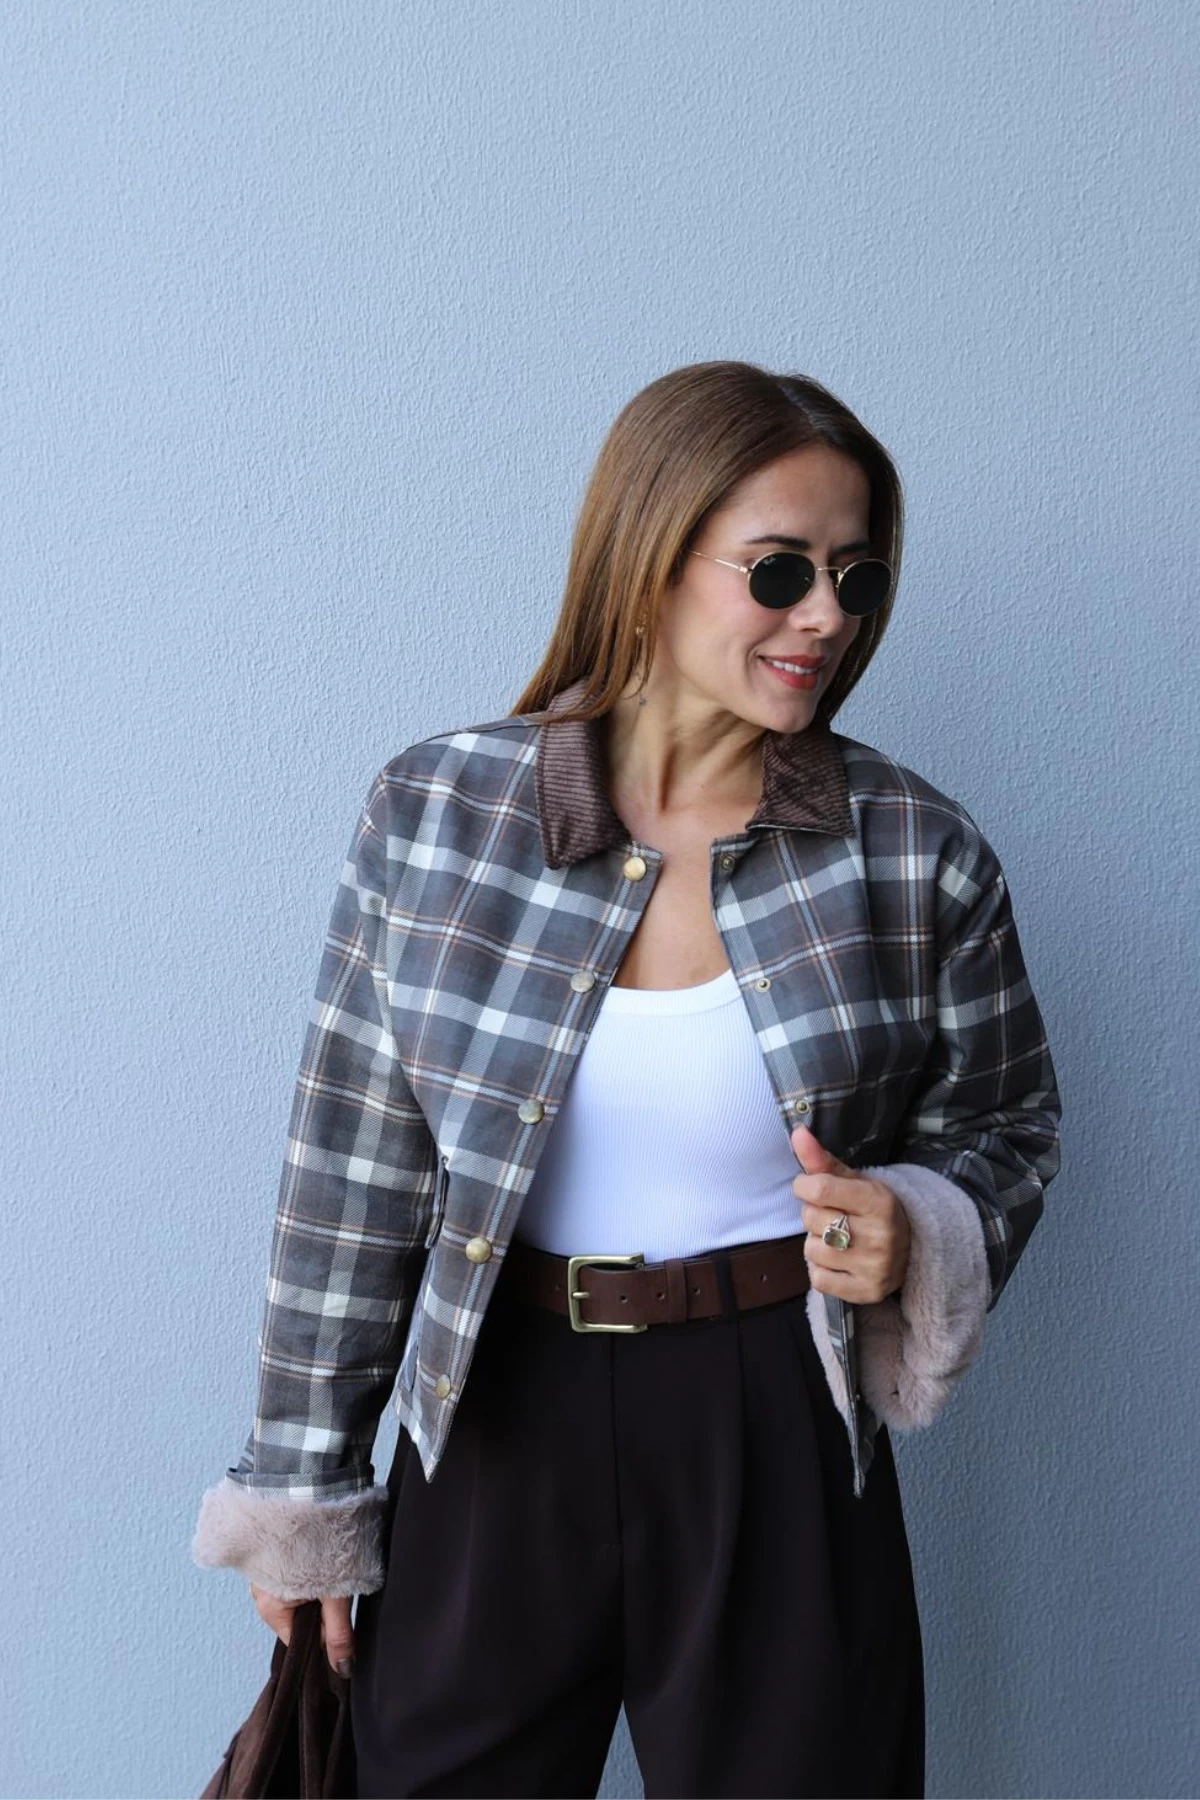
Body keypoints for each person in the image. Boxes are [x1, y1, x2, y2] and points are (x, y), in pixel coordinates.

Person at [192, 359, 1062, 1798]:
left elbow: (1008, 1123)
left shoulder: (914, 849)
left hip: (776, 1420)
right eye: (779, 570)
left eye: (854, 576)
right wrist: (303, 1489)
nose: (827, 616)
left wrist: (918, 1225)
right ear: (650, 558)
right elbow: (351, 1170)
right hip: (495, 1405)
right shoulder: (438, 813)